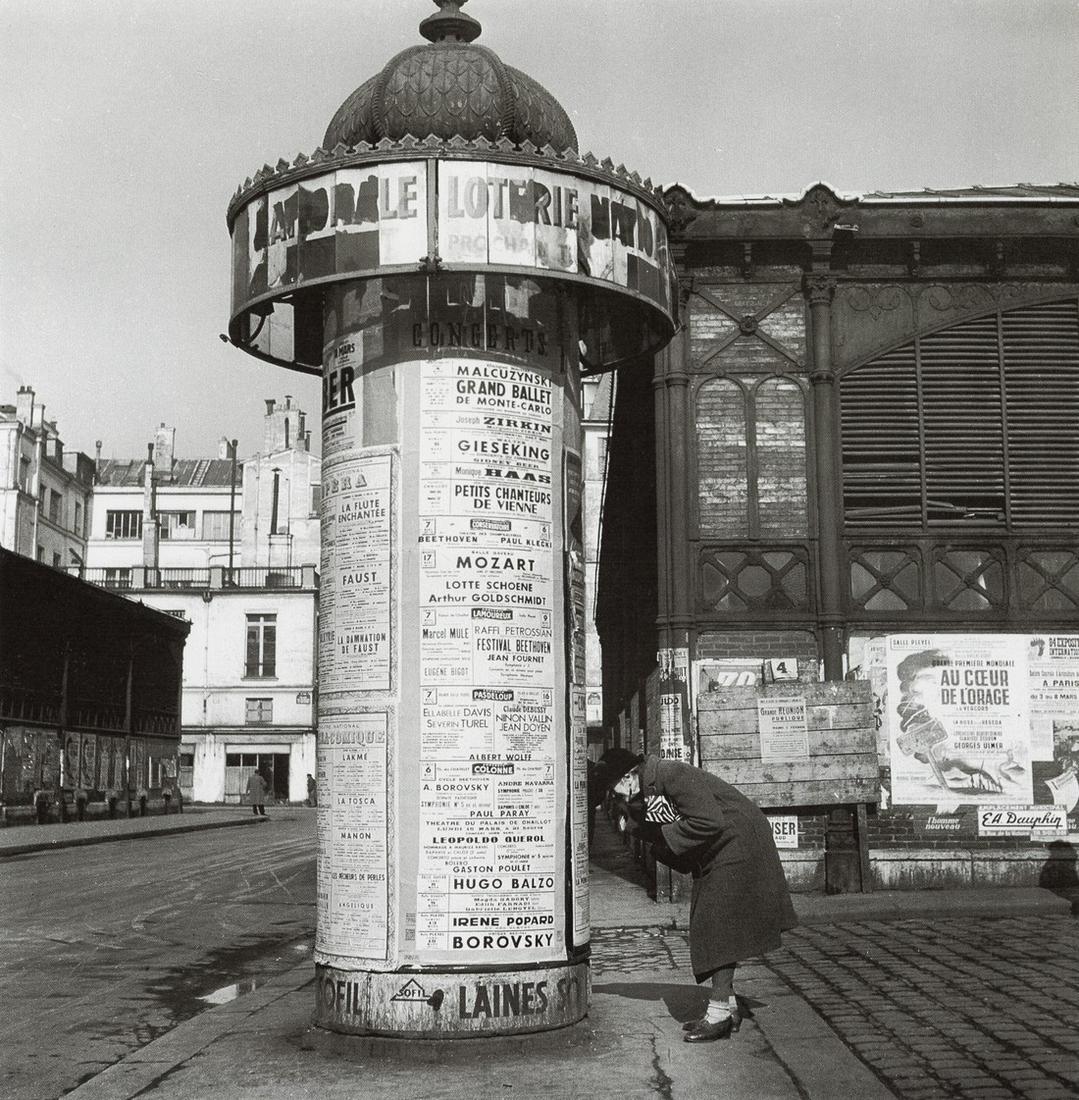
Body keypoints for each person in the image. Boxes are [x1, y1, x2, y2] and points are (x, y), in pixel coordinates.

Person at [621, 753, 798, 1043]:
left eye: (619, 785)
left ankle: (718, 1014)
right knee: (716, 924)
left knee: (715, 923)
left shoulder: (672, 774)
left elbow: (708, 820)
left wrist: (659, 834)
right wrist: (641, 826)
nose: (621, 793)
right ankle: (727, 1008)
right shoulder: (658, 783)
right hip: (727, 845)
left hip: (738, 844)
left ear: (630, 775)